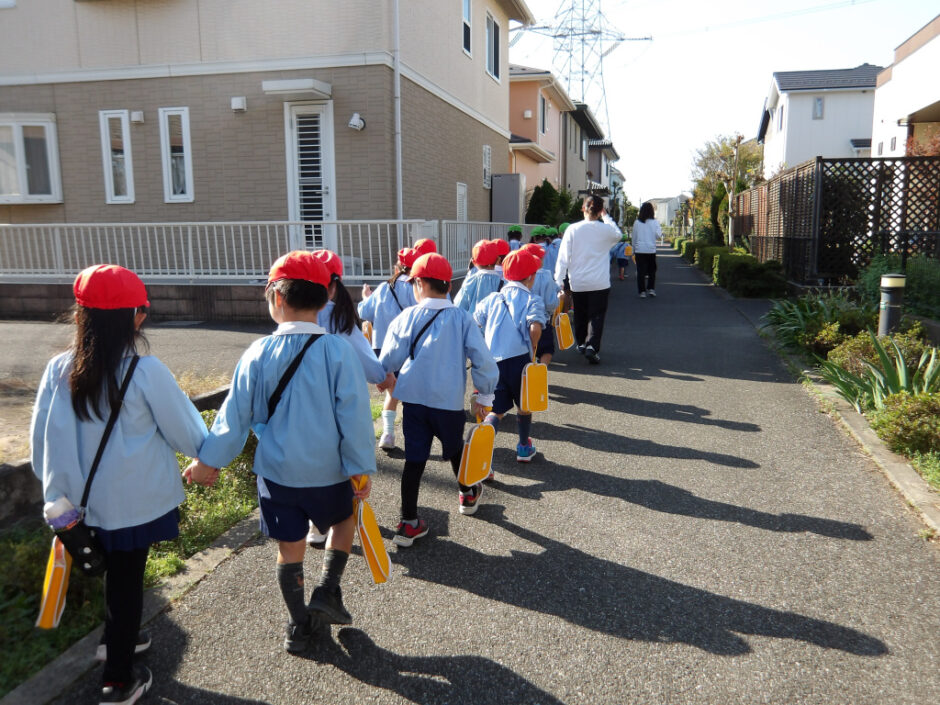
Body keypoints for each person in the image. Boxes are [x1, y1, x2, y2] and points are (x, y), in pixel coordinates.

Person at [31, 264, 210, 705]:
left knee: (114, 579)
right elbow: (188, 433)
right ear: (137, 317)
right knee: (128, 582)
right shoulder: (145, 372)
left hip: (76, 506)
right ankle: (117, 678)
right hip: (135, 504)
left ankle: (119, 639)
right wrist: (208, 458)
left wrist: (57, 489)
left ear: (80, 315)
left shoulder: (58, 368)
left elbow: (39, 443)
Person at [184, 251, 375, 653]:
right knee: (343, 520)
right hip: (329, 472)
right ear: (325, 300)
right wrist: (360, 468)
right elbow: (354, 417)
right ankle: (327, 590)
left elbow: (232, 417)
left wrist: (207, 462)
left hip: (276, 474)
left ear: (276, 298)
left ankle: (298, 625)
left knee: (290, 549)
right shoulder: (338, 351)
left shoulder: (255, 353)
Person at [379, 253, 498, 547]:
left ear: (419, 283)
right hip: (448, 403)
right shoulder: (461, 318)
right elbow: (483, 359)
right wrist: (484, 394)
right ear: (448, 285)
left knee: (414, 461)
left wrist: (388, 373)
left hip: (414, 403)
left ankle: (408, 522)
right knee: (456, 450)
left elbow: (388, 359)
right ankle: (468, 494)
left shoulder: (407, 317)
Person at [306, 249, 393, 548]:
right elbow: (366, 359)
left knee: (314, 466)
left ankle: (315, 525)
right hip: (338, 408)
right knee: (340, 469)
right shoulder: (339, 317)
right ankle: (335, 525)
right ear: (334, 283)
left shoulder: (296, 316)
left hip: (304, 410)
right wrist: (382, 377)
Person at [473, 249, 546, 471]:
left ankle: (481, 450)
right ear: (531, 277)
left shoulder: (492, 298)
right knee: (524, 405)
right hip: (520, 361)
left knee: (496, 410)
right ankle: (524, 447)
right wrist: (533, 348)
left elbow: (475, 323)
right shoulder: (532, 299)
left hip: (492, 362)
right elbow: (535, 327)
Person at [358, 247, 419, 449]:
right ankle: (413, 439)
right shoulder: (417, 288)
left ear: (397, 266)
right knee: (410, 395)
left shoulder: (385, 287)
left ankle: (387, 434)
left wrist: (367, 297)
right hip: (408, 349)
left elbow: (365, 313)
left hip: (382, 348)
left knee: (392, 393)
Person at [554, 195, 622, 365]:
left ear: (583, 208)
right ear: (600, 212)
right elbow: (618, 235)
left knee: (580, 314)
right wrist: (607, 217)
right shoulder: (606, 230)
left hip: (578, 281)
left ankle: (582, 343)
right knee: (597, 315)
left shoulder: (572, 229)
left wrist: (559, 279)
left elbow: (563, 257)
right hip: (600, 282)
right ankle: (592, 346)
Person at [453, 239, 501, 313]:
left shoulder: (469, 281)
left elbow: (458, 307)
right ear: (498, 260)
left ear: (474, 262)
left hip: (472, 323)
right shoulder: (504, 282)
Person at [632, 201, 662, 298]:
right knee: (652, 270)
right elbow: (658, 236)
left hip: (639, 250)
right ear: (652, 211)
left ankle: (642, 292)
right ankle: (651, 289)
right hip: (650, 250)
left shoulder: (636, 223)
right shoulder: (655, 222)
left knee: (641, 271)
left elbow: (634, 237)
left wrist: (633, 250)